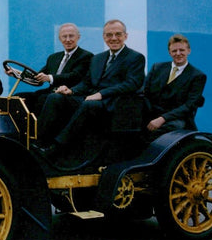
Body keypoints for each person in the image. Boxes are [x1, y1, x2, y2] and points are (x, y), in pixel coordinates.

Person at [38, 19, 146, 160]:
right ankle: (40, 142)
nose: (113, 38)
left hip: (114, 104)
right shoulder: (98, 58)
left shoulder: (135, 57)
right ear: (104, 37)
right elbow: (87, 82)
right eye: (109, 35)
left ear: (126, 36)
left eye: (118, 34)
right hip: (91, 99)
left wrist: (101, 94)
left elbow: (132, 84)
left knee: (89, 105)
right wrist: (71, 91)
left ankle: (57, 147)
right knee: (55, 97)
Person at [10, 23, 93, 115]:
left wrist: (49, 78)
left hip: (68, 95)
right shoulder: (53, 57)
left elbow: (74, 76)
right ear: (60, 39)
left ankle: (38, 128)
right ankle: (22, 128)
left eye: (71, 36)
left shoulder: (86, 56)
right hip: (50, 92)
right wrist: (16, 72)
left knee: (43, 100)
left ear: (78, 37)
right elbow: (38, 76)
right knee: (19, 97)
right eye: (64, 37)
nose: (68, 40)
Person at [143, 33, 206, 137]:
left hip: (176, 119)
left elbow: (188, 106)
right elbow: (144, 92)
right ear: (169, 52)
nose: (178, 53)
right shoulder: (157, 68)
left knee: (161, 132)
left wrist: (162, 118)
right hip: (152, 115)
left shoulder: (198, 76)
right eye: (174, 51)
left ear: (188, 51)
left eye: (181, 50)